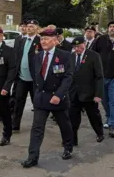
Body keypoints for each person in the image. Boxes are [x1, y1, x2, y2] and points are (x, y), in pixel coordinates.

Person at [21, 28, 74, 168]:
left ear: (55, 41)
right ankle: (32, 157)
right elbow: (36, 77)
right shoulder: (37, 56)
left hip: (57, 97)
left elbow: (68, 78)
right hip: (41, 97)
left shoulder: (65, 56)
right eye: (42, 39)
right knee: (37, 128)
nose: (43, 41)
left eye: (47, 39)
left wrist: (59, 95)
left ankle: (68, 147)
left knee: (64, 125)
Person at [68, 36, 105, 145]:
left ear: (84, 44)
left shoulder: (93, 56)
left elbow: (99, 76)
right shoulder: (71, 57)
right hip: (73, 93)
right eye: (75, 47)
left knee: (93, 115)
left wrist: (98, 94)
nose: (77, 49)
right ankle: (73, 139)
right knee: (73, 118)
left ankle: (99, 133)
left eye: (79, 46)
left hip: (89, 93)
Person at [12, 19, 42, 131]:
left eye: (32, 26)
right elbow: (18, 57)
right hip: (22, 78)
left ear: (37, 28)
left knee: (37, 103)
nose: (29, 28)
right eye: (28, 26)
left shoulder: (40, 41)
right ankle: (15, 125)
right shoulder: (23, 40)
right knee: (18, 101)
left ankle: (38, 125)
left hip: (34, 79)